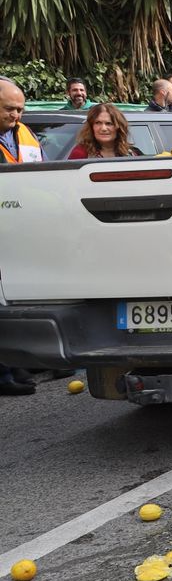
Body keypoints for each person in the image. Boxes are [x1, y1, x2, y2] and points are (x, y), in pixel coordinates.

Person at [0, 77, 40, 395]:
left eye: (20, 109)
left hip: (20, 226)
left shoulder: (22, 133)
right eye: (9, 109)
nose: (16, 115)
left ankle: (15, 365)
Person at [66, 103, 141, 160]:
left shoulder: (132, 154)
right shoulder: (80, 154)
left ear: (118, 127)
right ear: (91, 127)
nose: (103, 128)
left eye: (109, 123)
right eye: (98, 123)